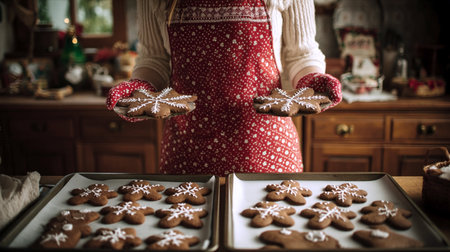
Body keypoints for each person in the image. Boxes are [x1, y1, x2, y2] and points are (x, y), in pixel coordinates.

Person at [106, 0, 342, 176]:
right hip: (187, 149)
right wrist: (141, 87)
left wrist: (310, 81)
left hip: (268, 147)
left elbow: (301, 54)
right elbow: (154, 58)